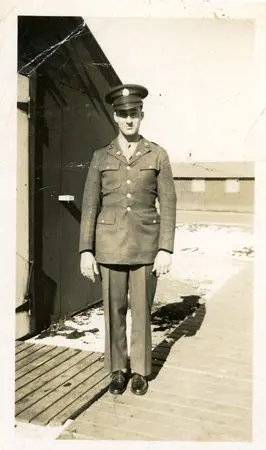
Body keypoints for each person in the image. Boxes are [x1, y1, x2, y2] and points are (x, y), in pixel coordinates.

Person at [79, 84, 176, 396]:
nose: (129, 119)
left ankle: (141, 371)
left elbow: (169, 204)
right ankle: (118, 369)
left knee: (142, 312)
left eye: (133, 113)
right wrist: (86, 250)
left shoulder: (158, 154)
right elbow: (90, 205)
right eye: (123, 114)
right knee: (114, 311)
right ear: (115, 117)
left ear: (141, 115)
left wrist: (165, 248)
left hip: (146, 247)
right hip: (109, 247)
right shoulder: (100, 157)